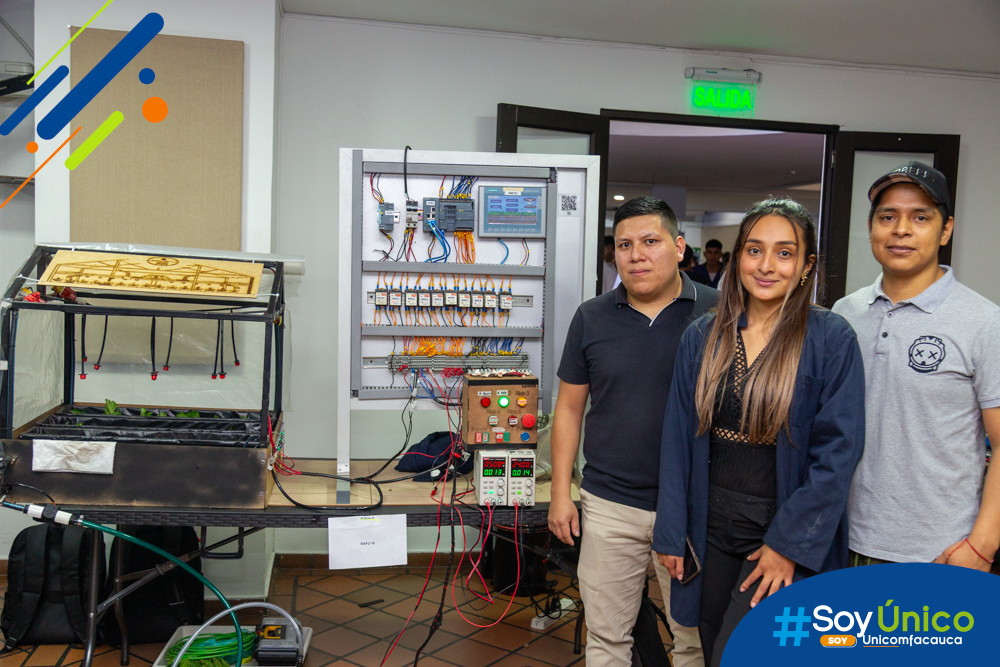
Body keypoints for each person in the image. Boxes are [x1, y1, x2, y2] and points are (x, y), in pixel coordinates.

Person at [654, 199, 866, 667]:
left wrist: (786, 546)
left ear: (807, 265)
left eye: (785, 253)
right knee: (710, 644)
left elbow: (838, 455)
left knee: (745, 653)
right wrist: (671, 533)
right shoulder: (703, 336)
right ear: (737, 257)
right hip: (707, 529)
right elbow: (676, 441)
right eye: (754, 250)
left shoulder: (831, 339)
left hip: (776, 531)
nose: (767, 265)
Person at [551, 196, 718, 667]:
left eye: (650, 241)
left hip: (689, 507)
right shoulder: (592, 316)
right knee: (607, 637)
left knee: (693, 638)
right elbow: (568, 409)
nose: (636, 254)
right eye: (624, 244)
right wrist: (562, 493)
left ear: (680, 247)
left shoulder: (718, 312)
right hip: (609, 504)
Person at [832, 161, 1000, 570]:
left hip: (938, 554)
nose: (901, 229)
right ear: (872, 227)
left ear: (945, 230)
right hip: (841, 541)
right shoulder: (845, 313)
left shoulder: (984, 321)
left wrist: (982, 545)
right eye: (888, 216)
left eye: (920, 217)